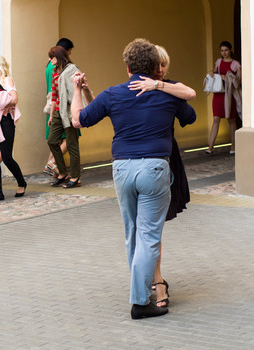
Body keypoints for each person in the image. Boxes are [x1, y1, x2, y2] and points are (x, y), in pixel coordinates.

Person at [71, 38, 196, 319]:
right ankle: (140, 302)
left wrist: (76, 90)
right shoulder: (168, 94)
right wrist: (164, 89)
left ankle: (143, 291)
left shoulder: (113, 94)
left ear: (127, 67)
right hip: (154, 168)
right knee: (150, 235)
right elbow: (190, 113)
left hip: (122, 169)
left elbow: (79, 119)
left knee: (133, 232)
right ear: (155, 67)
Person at [129, 45, 196, 307]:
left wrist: (160, 87)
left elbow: (189, 113)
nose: (161, 69)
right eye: (158, 64)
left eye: (164, 65)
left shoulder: (168, 88)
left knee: (153, 228)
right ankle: (155, 281)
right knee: (147, 229)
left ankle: (156, 280)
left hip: (164, 160)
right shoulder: (131, 88)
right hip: (136, 164)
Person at [0, 55, 27, 203]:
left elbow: (14, 99)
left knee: (6, 157)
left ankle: (21, 182)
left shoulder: (7, 80)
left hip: (5, 120)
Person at [47, 46, 81, 188]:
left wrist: (76, 112)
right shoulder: (55, 71)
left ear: (59, 57)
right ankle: (62, 172)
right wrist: (51, 115)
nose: (50, 60)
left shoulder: (72, 70)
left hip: (69, 110)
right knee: (52, 141)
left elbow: (76, 91)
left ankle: (75, 177)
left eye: (52, 57)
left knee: (72, 144)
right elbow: (54, 95)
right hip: (58, 112)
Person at [44, 38, 74, 177]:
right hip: (60, 106)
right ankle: (52, 163)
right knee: (69, 140)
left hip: (52, 106)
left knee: (55, 140)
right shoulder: (59, 67)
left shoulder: (48, 66)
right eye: (69, 51)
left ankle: (56, 172)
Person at [206, 41, 241, 154]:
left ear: (230, 50)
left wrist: (228, 76)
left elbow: (238, 81)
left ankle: (233, 146)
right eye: (222, 50)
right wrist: (212, 72)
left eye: (226, 50)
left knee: (231, 120)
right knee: (216, 118)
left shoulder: (236, 64)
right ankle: (210, 147)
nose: (224, 53)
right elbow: (215, 72)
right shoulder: (218, 61)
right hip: (218, 93)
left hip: (229, 94)